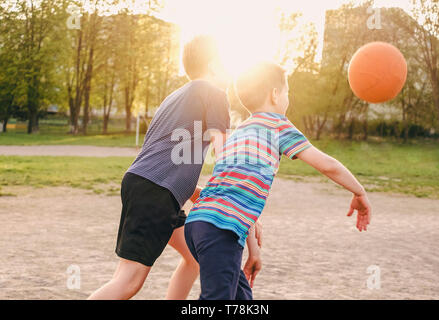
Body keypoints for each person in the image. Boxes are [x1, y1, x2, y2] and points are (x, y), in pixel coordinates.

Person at [184, 61, 372, 300]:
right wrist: (360, 192)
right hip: (221, 231)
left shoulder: (238, 134)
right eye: (287, 93)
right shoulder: (278, 125)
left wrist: (253, 252)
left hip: (201, 224)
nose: (287, 99)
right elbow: (328, 165)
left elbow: (237, 198)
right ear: (275, 94)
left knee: (241, 299)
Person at [88, 35, 233, 300]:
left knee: (194, 257)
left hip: (150, 186)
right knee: (129, 281)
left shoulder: (177, 96)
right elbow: (222, 151)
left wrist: (195, 191)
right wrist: (233, 193)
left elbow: (170, 157)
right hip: (156, 191)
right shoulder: (215, 94)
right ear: (213, 65)